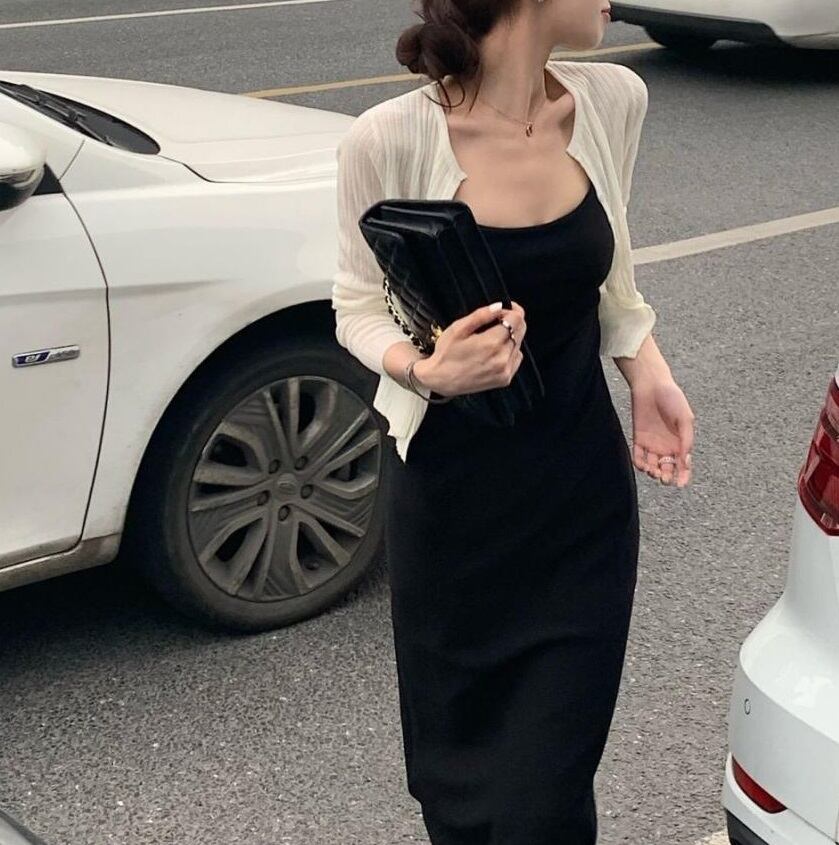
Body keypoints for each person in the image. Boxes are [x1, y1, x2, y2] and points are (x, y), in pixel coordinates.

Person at [331, 0, 697, 841]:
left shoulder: (612, 102)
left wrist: (646, 369)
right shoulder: (388, 138)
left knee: (542, 790)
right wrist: (426, 369)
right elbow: (355, 304)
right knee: (463, 796)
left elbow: (611, 274)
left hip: (578, 507)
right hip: (450, 516)